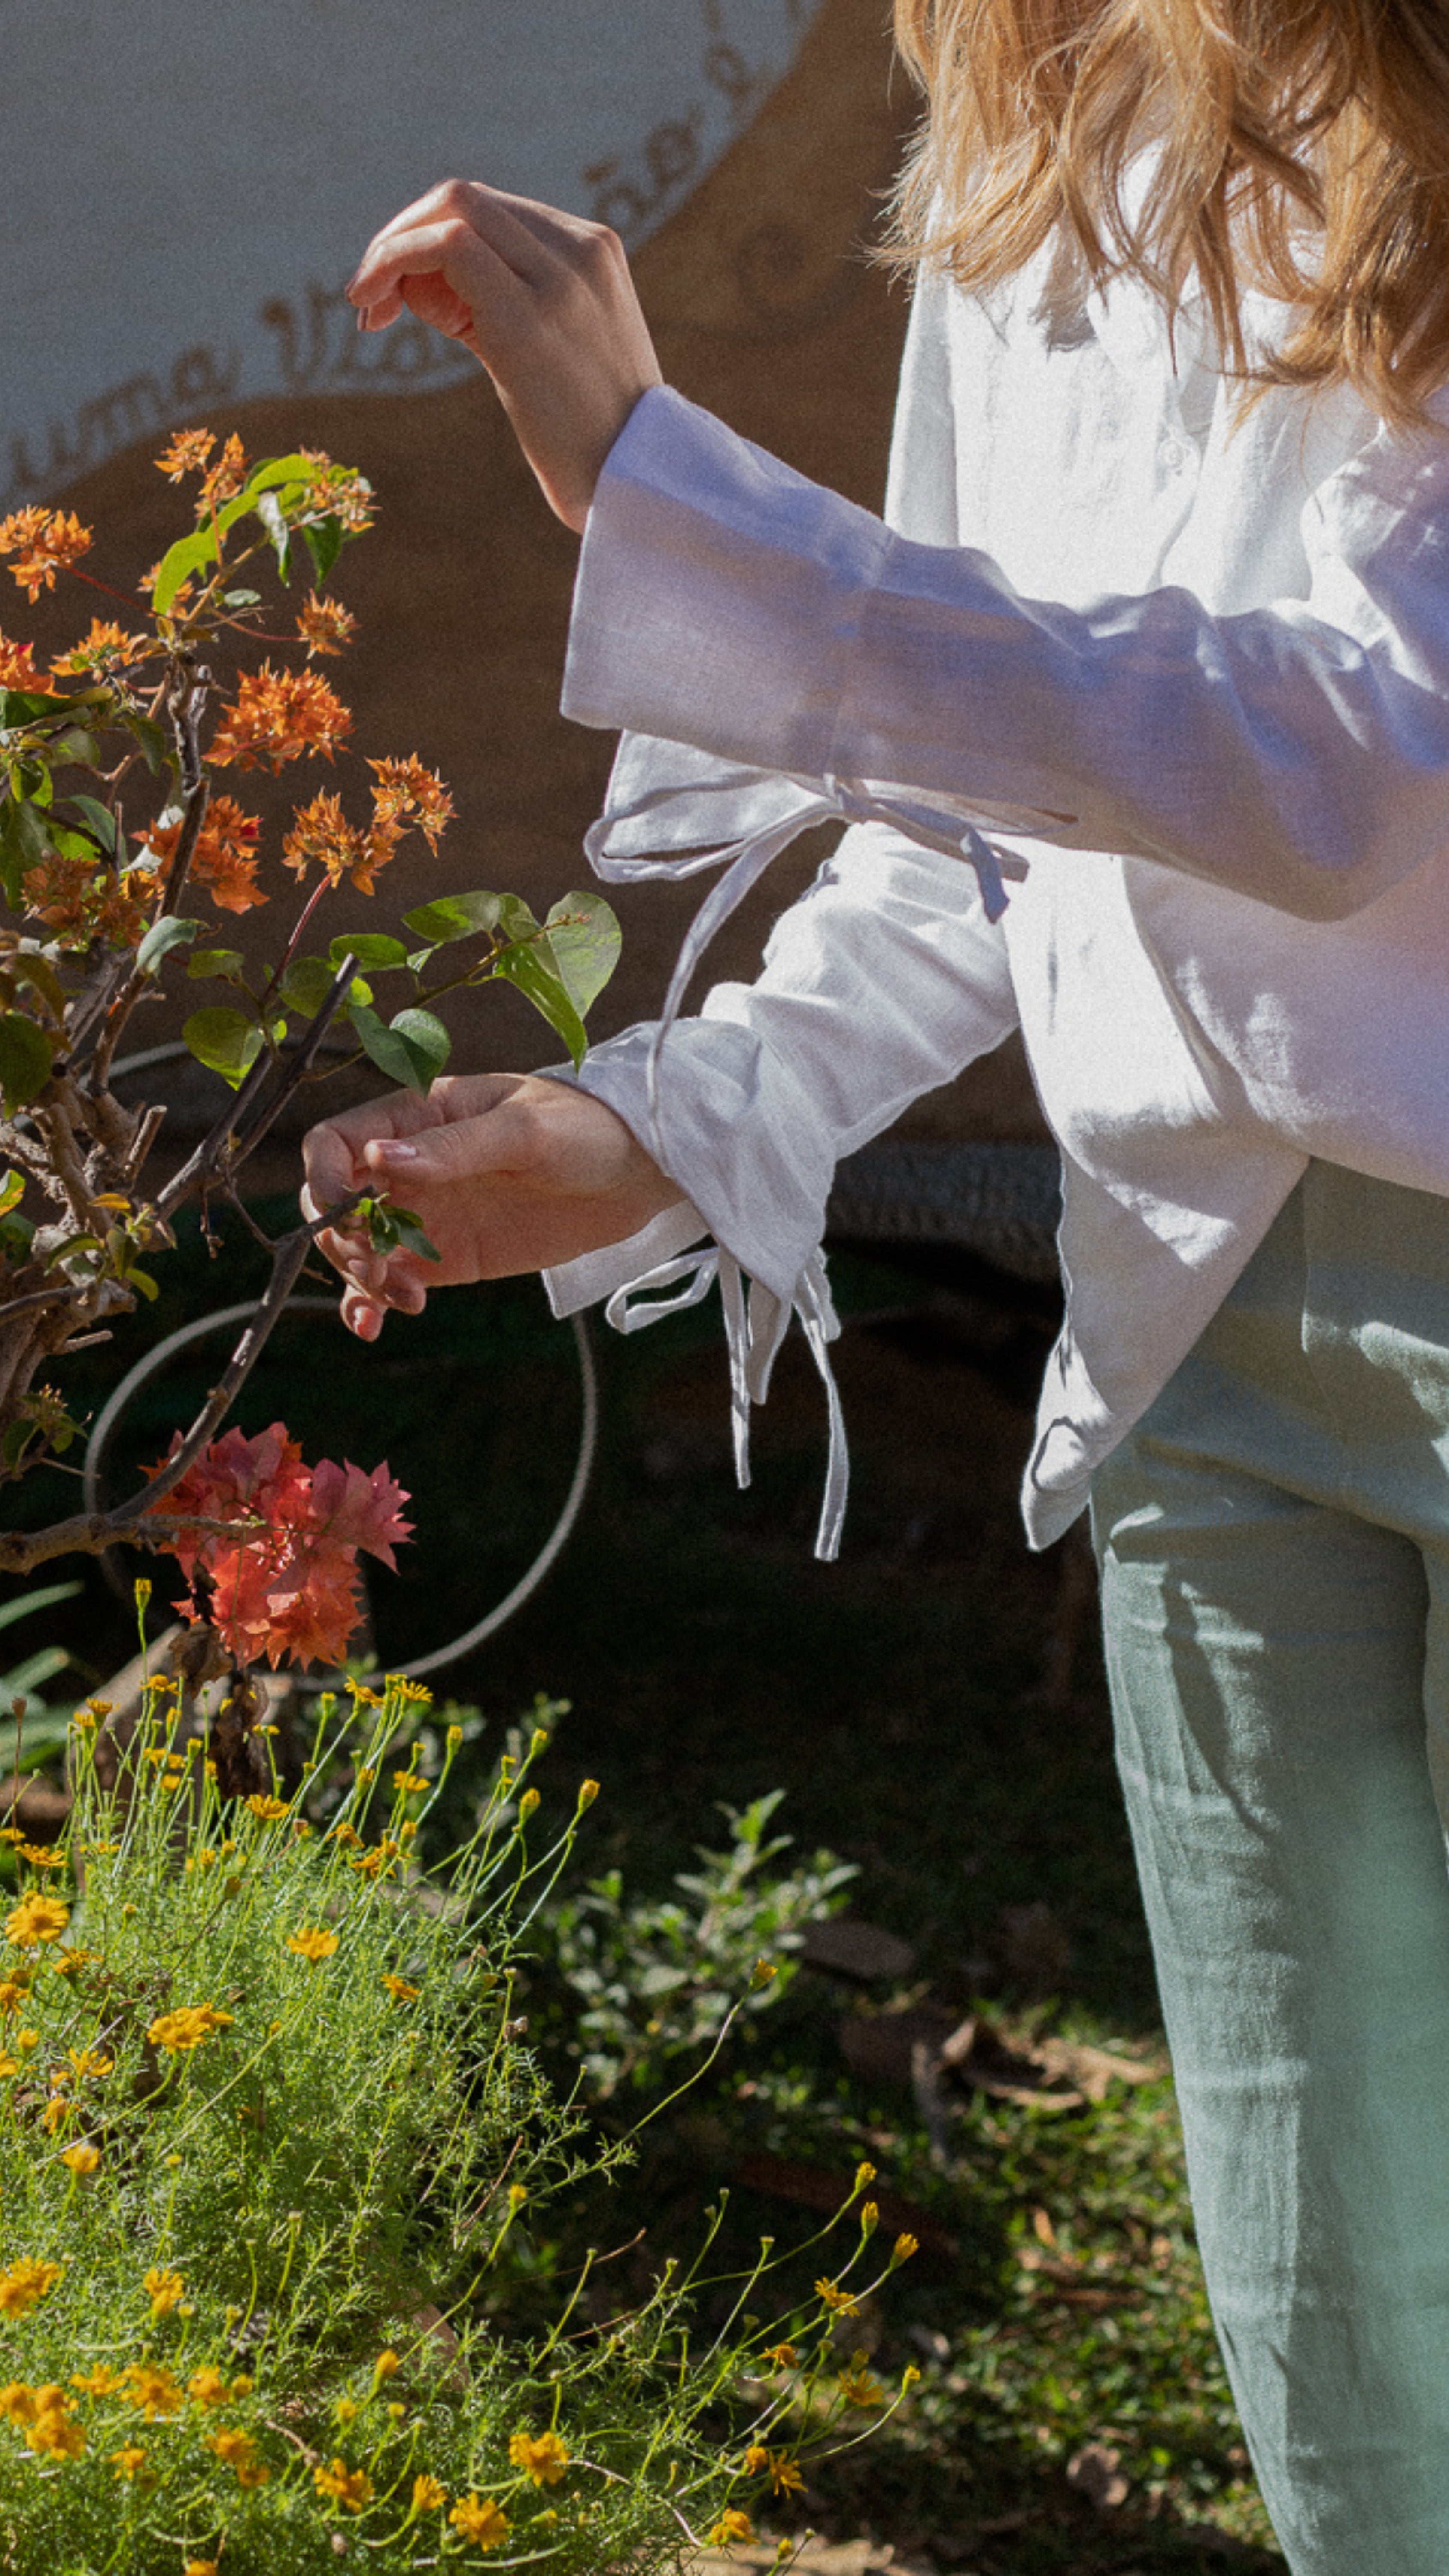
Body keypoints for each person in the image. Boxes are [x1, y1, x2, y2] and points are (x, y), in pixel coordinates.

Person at [301, 5, 1449, 2564]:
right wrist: (676, 1118)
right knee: (1353, 2369)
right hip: (1196, 1342)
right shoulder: (1029, 129)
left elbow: (1348, 760)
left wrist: (666, 497)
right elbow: (984, 827)